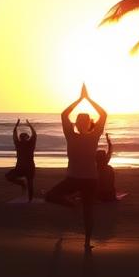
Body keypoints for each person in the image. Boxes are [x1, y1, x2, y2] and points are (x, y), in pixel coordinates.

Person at [45, 84, 107, 249]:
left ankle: (87, 243)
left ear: (89, 124)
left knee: (88, 212)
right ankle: (71, 204)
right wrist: (80, 99)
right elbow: (64, 114)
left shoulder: (94, 135)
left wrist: (88, 99)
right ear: (76, 124)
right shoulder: (70, 134)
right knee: (49, 195)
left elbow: (104, 114)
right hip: (72, 178)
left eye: (84, 121)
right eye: (79, 120)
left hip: (90, 180)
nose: (81, 123)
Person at [5, 118, 37, 201]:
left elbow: (35, 135)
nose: (22, 137)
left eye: (24, 136)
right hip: (20, 168)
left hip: (30, 167)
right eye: (21, 136)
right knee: (8, 176)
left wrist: (30, 125)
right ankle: (22, 183)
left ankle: (30, 199)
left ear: (27, 137)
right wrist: (16, 125)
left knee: (30, 183)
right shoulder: (18, 144)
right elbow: (14, 134)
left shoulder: (31, 144)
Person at [97, 133, 116, 202]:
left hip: (99, 195)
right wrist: (108, 140)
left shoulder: (94, 168)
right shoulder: (107, 165)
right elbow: (110, 149)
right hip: (110, 195)